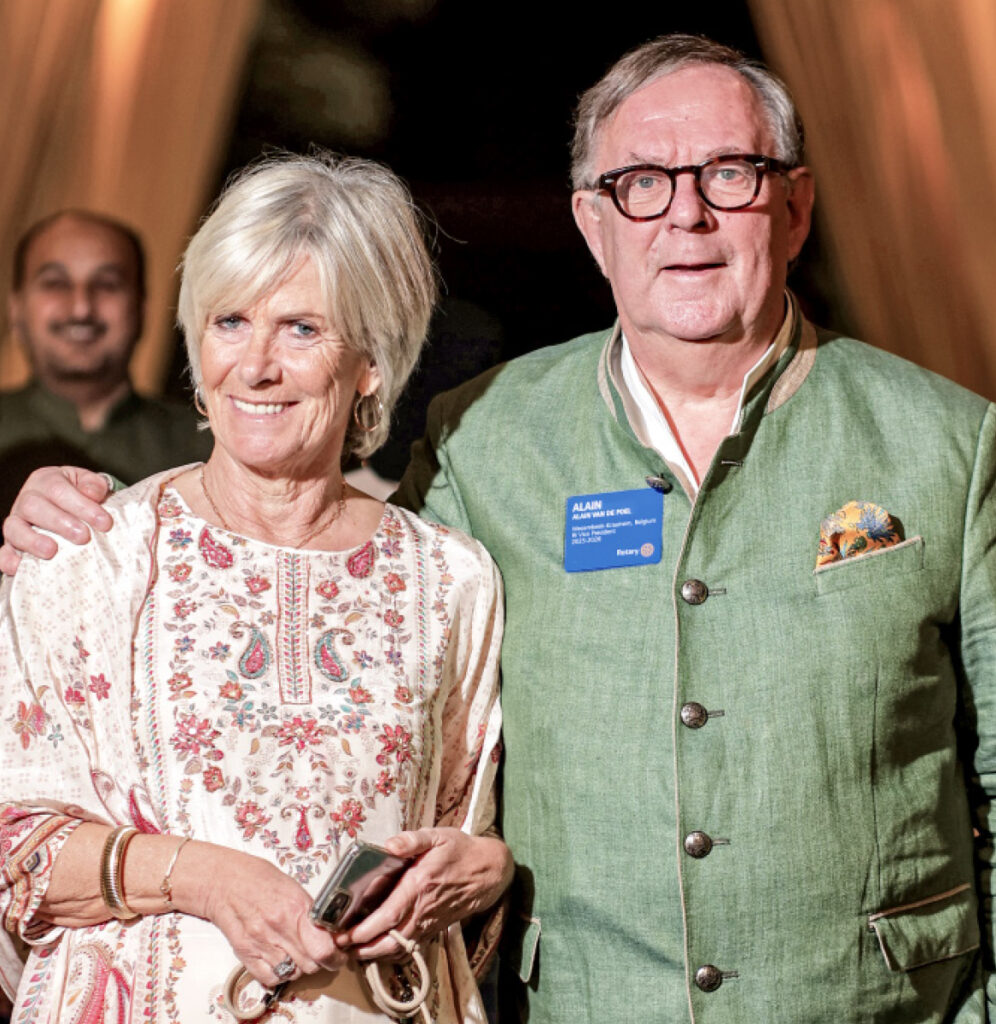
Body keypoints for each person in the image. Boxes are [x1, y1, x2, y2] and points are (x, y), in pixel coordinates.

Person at [4, 33, 996, 1024]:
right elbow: (278, 549)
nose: (685, 213)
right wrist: (76, 522)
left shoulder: (950, 441)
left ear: (797, 206)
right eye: (643, 183)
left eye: (729, 174)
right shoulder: (487, 438)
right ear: (592, 222)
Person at [0, 152, 511, 1023]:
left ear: (370, 362)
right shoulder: (87, 553)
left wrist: (484, 869)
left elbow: (465, 839)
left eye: (301, 329)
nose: (256, 365)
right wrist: (209, 879)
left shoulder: (453, 580)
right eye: (229, 322)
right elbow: (17, 848)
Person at [0, 210, 211, 515]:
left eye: (107, 284)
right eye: (55, 283)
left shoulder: (210, 448)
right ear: (15, 309)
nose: (81, 308)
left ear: (142, 310)